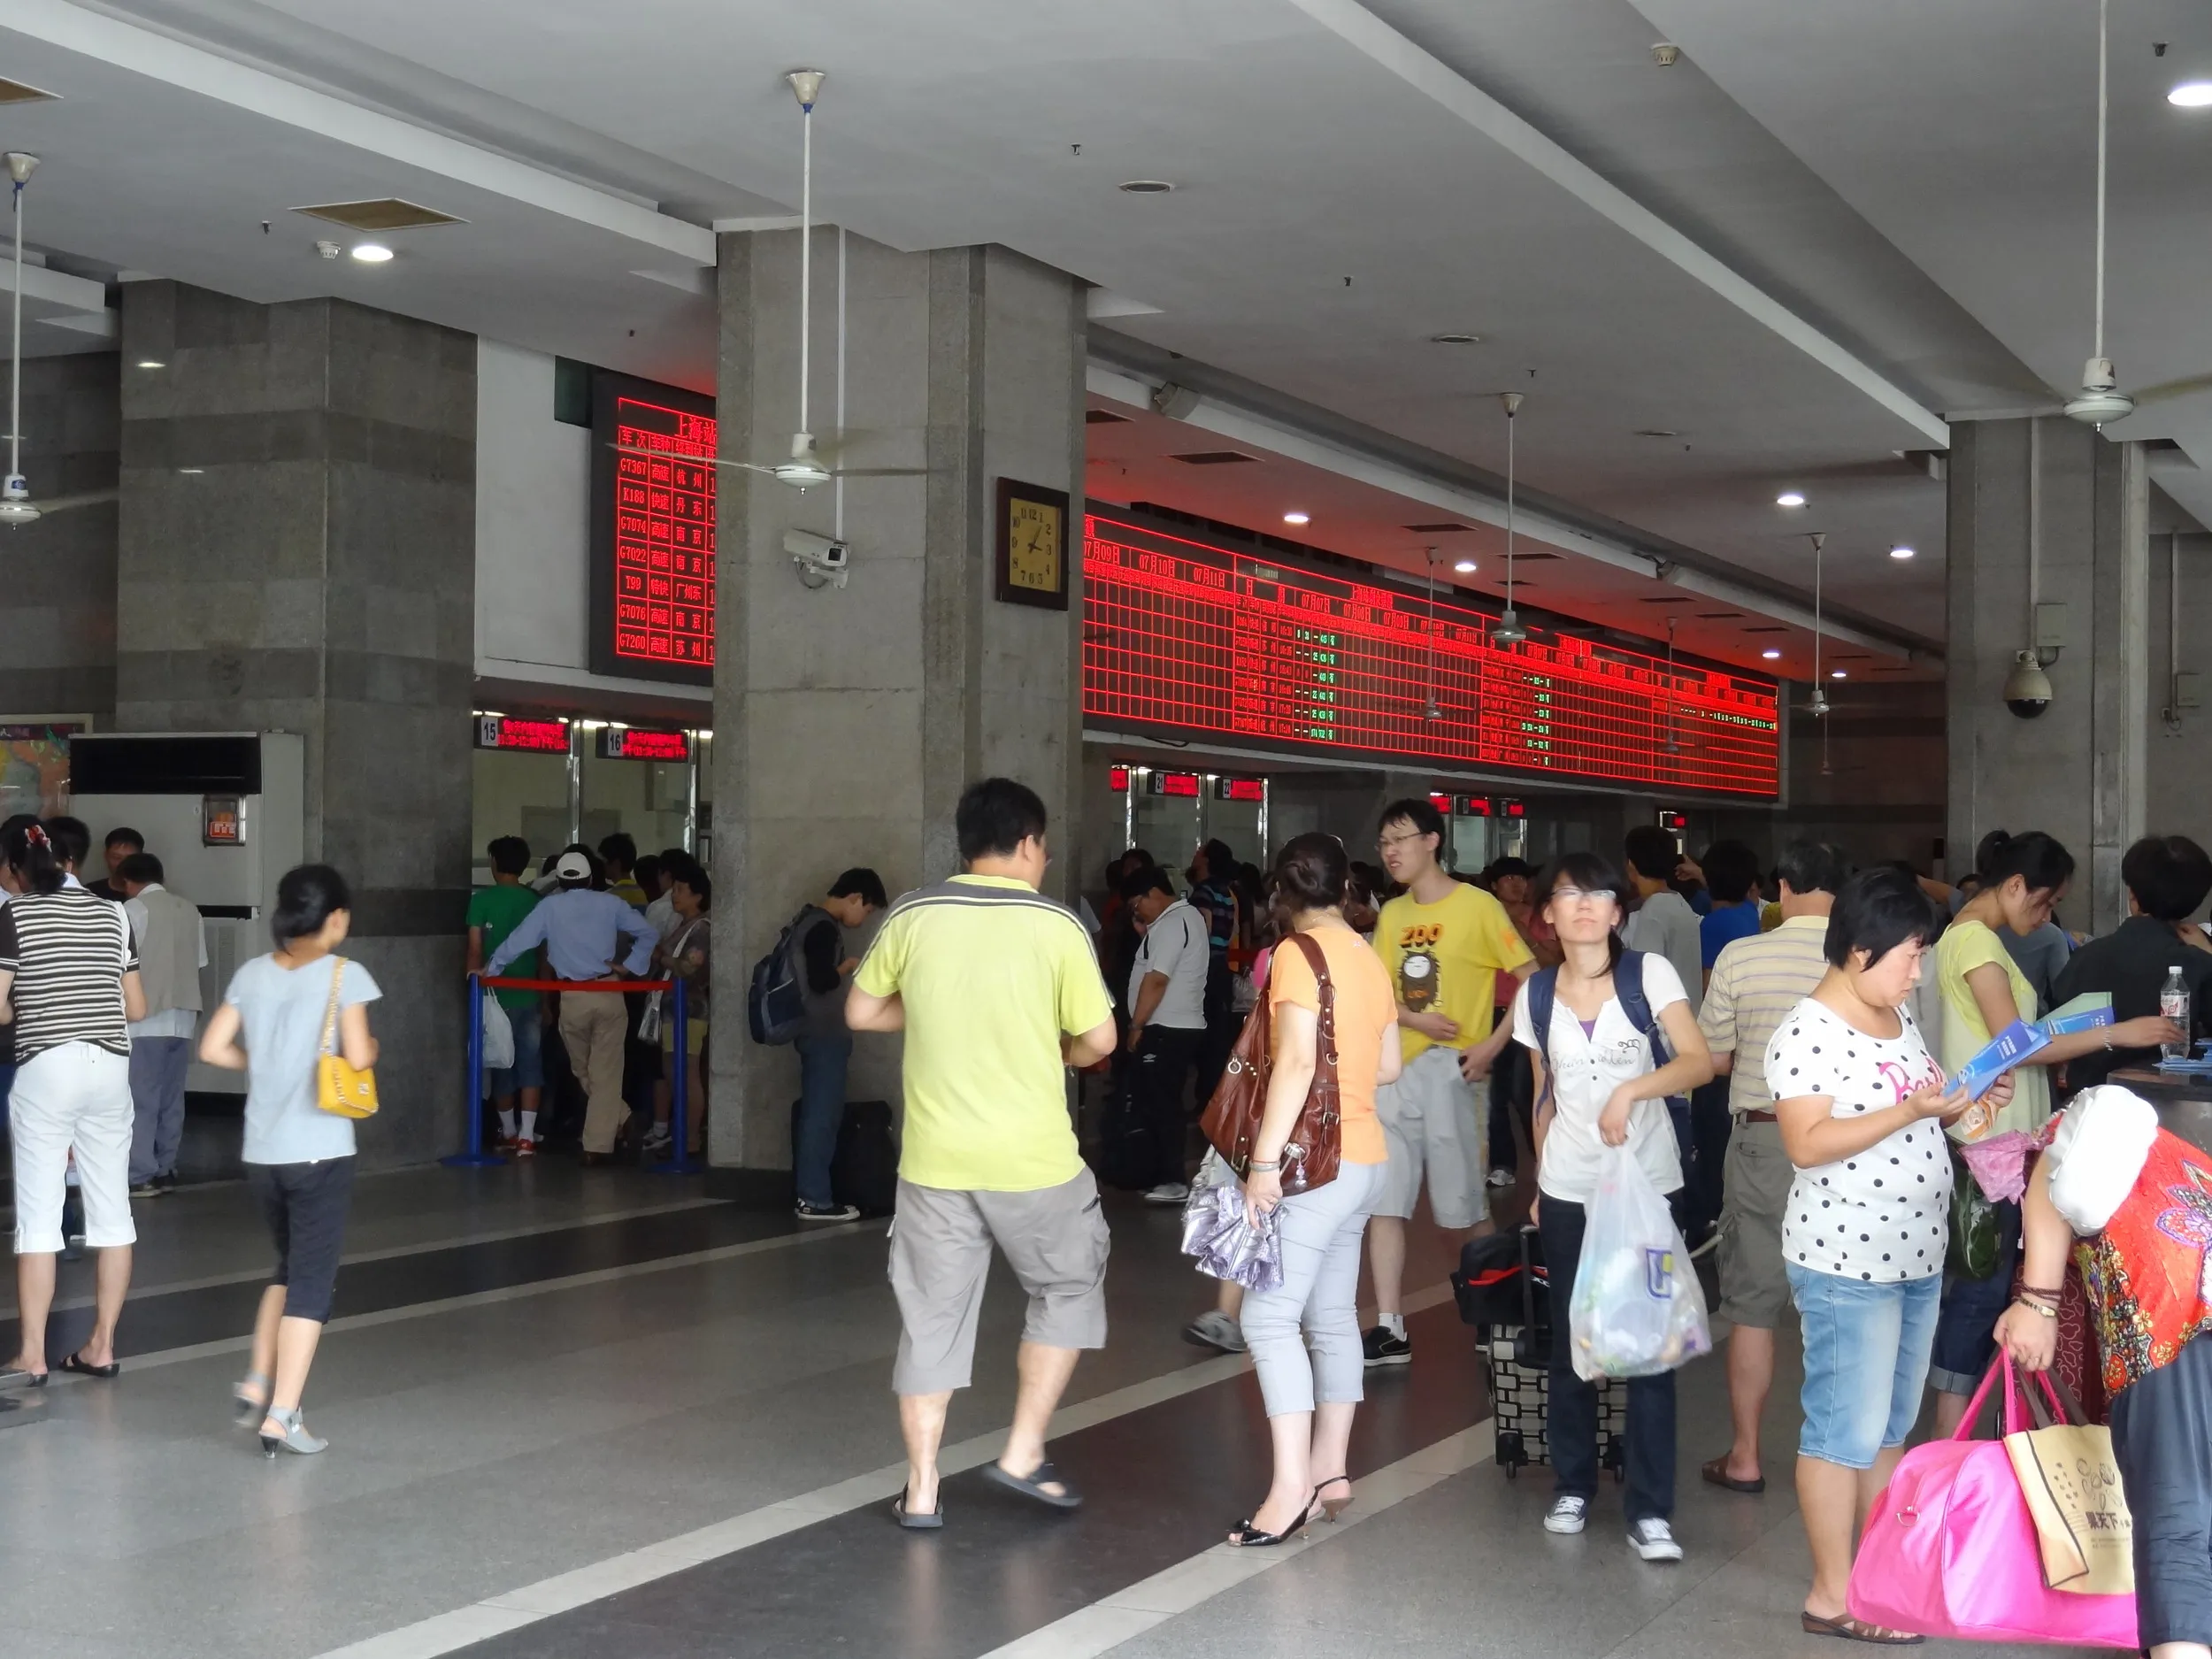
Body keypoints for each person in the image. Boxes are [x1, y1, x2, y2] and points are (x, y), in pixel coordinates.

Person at [847, 777, 1118, 1528]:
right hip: (1036, 1162)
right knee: (1067, 1287)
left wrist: (934, 1011)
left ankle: (924, 1487)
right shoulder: (1055, 925)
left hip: (935, 1163)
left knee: (930, 1322)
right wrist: (1049, 1045)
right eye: (1045, 849)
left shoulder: (913, 911)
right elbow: (1100, 1040)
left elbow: (862, 1010)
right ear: (1028, 843)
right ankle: (1024, 1450)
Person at [1769, 865, 1996, 1642]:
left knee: (1890, 1424)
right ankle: (1832, 1594)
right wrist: (1910, 1109)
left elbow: (1921, 1112)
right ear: (1860, 952)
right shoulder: (1807, 1032)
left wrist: (1961, 1108)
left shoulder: (1897, 1018)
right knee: (1842, 1427)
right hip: (1845, 1261)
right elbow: (1807, 1143)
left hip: (1914, 1254)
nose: (1918, 970)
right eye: (1909, 955)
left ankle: (1874, 1578)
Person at [1928, 828, 2180, 1431]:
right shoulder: (1975, 944)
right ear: (2014, 885)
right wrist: (2117, 1032)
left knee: (1984, 1290)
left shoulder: (1974, 938)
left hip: (1999, 1137)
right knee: (1978, 1297)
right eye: (2042, 902)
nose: (2044, 917)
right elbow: (2013, 1041)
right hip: (1988, 1144)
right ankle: (1949, 1436)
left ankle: (1963, 1429)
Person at [1516, 851, 1713, 1562]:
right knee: (1577, 1336)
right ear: (1547, 914)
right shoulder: (1535, 995)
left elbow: (1699, 1059)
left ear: (1618, 909)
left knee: (1648, 1343)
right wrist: (1539, 1181)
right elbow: (1543, 1093)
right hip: (1570, 1187)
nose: (1583, 905)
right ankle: (1573, 1482)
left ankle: (1650, 1508)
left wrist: (1632, 1091)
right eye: (1566, 894)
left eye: (1597, 893)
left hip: (1647, 1187)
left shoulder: (1647, 975)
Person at [1228, 833, 1402, 1545]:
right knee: (1330, 1314)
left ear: (1283, 891)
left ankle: (1290, 1489)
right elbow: (1388, 1065)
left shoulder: (1300, 954)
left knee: (1267, 1321)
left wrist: (1263, 1161)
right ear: (1344, 887)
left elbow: (1297, 1060)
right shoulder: (1367, 954)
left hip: (1312, 1163)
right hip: (1363, 1159)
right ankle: (1330, 1469)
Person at [1998, 1085, 2212, 1659]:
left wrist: (2037, 1304)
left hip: (2167, 1321)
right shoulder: (2180, 1163)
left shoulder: (2081, 1134)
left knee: (2176, 1514)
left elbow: (2051, 1185)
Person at [198, 864, 378, 1455]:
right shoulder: (344, 976)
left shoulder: (252, 973)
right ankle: (282, 1413)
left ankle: (256, 1377)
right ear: (334, 917)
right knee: (311, 1285)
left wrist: (264, 1063)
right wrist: (370, 1046)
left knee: (287, 1265)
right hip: (321, 1148)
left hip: (263, 1153)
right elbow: (355, 1055)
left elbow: (212, 1047)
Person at [1695, 839, 1847, 1498]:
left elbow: (1715, 1058)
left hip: (1763, 1139)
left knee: (1754, 1304)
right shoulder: (1866, 958)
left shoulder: (1742, 953)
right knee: (1842, 1301)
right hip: (1849, 1143)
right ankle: (1837, 1456)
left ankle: (1747, 1456)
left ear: (1782, 886)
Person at [1364, 797, 1535, 1365]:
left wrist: (1493, 1042)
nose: (1391, 852)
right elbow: (1379, 994)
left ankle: (1494, 1313)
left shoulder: (1479, 907)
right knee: (1385, 1204)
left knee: (1463, 1203)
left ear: (1433, 841)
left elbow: (1533, 980)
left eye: (1401, 839)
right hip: (1394, 1070)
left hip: (1453, 1072)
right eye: (1385, 843)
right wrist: (1412, 1020)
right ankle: (1389, 1326)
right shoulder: (1391, 916)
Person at [0, 819, 146, 1390]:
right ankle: (101, 1346)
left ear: (15, 867)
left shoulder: (13, 915)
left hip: (47, 1066)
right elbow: (136, 1006)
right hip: (110, 1066)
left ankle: (32, 1355)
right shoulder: (113, 912)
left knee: (40, 1215)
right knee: (113, 1212)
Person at [485, 849, 657, 1164]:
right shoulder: (611, 903)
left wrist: (491, 970)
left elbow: (519, 941)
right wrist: (629, 965)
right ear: (592, 878)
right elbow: (647, 932)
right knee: (604, 1071)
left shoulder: (549, 907)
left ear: (561, 881)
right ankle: (622, 1118)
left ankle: (597, 1146)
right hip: (608, 991)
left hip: (572, 997)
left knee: (583, 1069)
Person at [2050, 833, 2212, 1093]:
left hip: (2086, 1110)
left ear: (2132, 894)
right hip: (2172, 1113)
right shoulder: (2199, 964)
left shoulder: (2084, 958)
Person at [784, 867, 887, 1221]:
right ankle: (814, 1198)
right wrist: (848, 966)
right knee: (821, 1117)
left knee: (819, 1113)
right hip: (823, 1031)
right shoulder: (823, 927)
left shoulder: (807, 919)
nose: (864, 918)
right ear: (855, 898)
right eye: (868, 910)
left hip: (812, 1029)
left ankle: (812, 1194)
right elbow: (822, 979)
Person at [1119, 864, 1211, 1205]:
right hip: (1175, 1026)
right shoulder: (1179, 920)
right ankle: (1163, 1175)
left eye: (1136, 904)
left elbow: (1157, 979)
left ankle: (1174, 1180)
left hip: (1167, 1028)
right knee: (1160, 1101)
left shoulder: (1174, 923)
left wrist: (1136, 1025)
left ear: (1152, 894)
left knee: (1164, 1104)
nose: (1137, 911)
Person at [118, 851, 207, 1197]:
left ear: (128, 882)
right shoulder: (190, 910)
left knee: (141, 1098)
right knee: (172, 1098)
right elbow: (199, 962)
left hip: (144, 1019)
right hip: (183, 1016)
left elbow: (121, 964)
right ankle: (166, 1167)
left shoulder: (131, 911)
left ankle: (140, 1174)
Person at [466, 836, 544, 1155]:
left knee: (500, 1063)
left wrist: (473, 978)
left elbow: (473, 949)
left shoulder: (481, 901)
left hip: (491, 997)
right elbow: (544, 955)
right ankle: (527, 1135)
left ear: (494, 863)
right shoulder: (536, 901)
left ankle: (508, 1131)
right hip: (531, 994)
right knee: (531, 1064)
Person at [645, 865, 710, 1159]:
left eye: (682, 889)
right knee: (673, 1071)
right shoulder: (684, 926)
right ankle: (682, 1133)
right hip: (673, 1009)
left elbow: (688, 968)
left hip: (689, 1010)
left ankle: (691, 1138)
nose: (674, 894)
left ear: (698, 896)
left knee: (687, 1073)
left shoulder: (702, 929)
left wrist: (662, 957)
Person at [1622, 825, 1704, 1012]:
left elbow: (1642, 978)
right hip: (1687, 1020)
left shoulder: (1653, 910)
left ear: (1631, 865)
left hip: (1665, 1028)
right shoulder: (1679, 902)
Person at [1188, 838, 1245, 1101]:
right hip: (1222, 967)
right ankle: (1214, 1097)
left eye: (1199, 853)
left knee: (1204, 1037)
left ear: (1207, 860)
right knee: (1217, 1036)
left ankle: (1204, 1098)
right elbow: (1231, 930)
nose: (1195, 856)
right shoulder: (1226, 892)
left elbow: (1202, 931)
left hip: (1205, 969)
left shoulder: (1203, 893)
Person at [86, 826, 143, 902]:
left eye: (130, 858)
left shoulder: (148, 893)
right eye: (117, 857)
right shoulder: (89, 893)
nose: (123, 864)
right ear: (106, 856)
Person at [600, 833, 646, 910]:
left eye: (604, 860)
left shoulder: (609, 897)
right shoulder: (641, 893)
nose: (602, 865)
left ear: (616, 864)